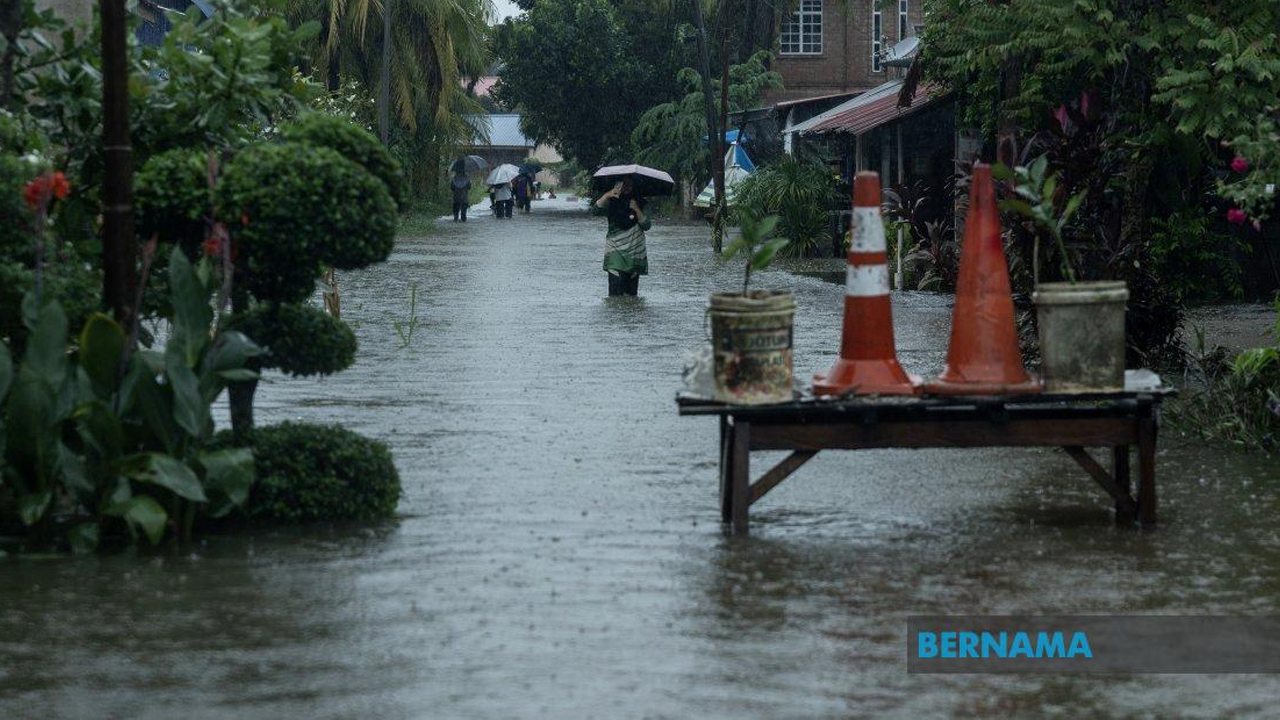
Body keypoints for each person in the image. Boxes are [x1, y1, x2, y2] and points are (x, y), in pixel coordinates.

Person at [596, 177, 650, 296]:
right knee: (614, 297)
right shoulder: (612, 201)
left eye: (629, 185)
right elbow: (596, 209)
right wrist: (607, 195)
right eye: (623, 184)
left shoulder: (641, 203)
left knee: (631, 297)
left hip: (634, 255)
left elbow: (646, 225)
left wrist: (636, 209)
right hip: (615, 254)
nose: (626, 187)